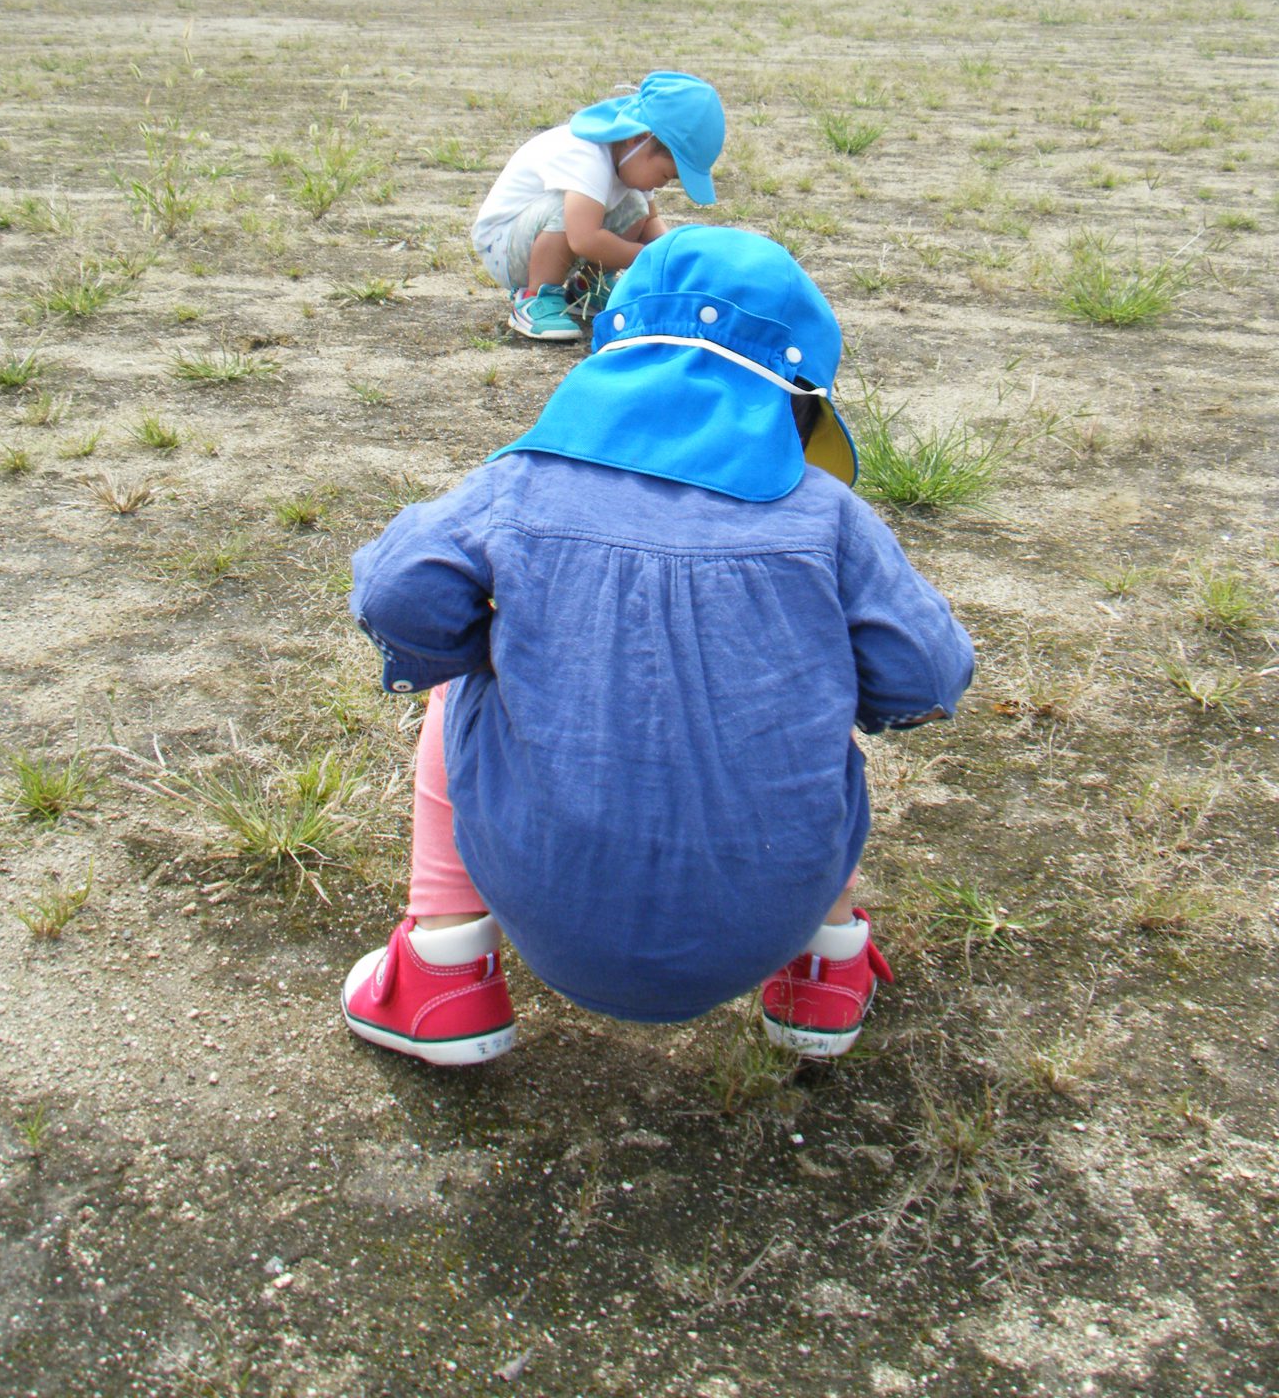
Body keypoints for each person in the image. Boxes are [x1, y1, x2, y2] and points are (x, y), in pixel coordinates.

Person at [342, 226, 974, 1069]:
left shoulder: (518, 487)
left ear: (612, 361)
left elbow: (395, 592)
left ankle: (442, 971)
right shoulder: (827, 517)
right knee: (815, 713)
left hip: (545, 892)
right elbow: (926, 674)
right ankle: (826, 969)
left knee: (459, 681)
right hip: (774, 908)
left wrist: (487, 646)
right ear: (798, 396)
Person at [471, 71, 726, 344]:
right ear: (639, 138)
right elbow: (584, 239)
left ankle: (588, 286)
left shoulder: (631, 159)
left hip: (545, 241)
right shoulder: (586, 155)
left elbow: (650, 222)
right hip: (505, 247)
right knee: (566, 208)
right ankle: (535, 297)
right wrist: (646, 258)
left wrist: (672, 255)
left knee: (635, 205)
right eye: (666, 175)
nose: (663, 185)